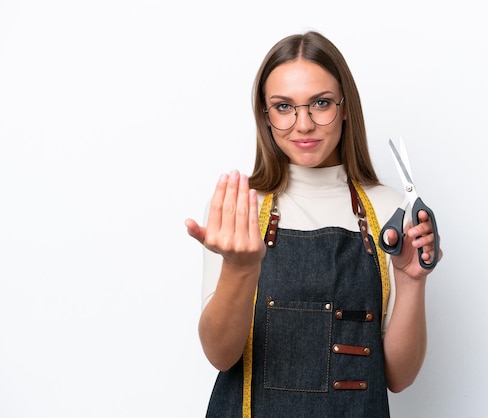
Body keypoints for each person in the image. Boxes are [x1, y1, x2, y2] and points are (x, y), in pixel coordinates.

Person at [185, 30, 442, 417]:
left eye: (320, 103)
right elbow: (221, 356)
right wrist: (240, 269)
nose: (303, 124)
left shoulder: (390, 212)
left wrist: (411, 281)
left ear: (344, 107)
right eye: (284, 106)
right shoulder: (239, 209)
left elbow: (399, 377)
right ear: (265, 116)